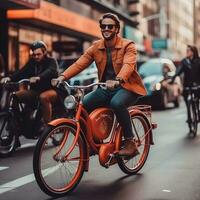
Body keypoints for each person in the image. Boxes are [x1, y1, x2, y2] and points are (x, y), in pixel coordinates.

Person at [52, 13, 146, 157]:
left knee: (117, 103)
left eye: (110, 26)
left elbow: (128, 65)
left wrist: (118, 79)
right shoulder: (96, 47)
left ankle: (130, 142)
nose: (106, 29)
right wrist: (62, 76)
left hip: (127, 87)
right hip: (104, 88)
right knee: (83, 106)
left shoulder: (128, 45)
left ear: (117, 29)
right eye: (103, 26)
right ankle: (93, 142)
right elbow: (80, 63)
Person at [1, 40, 58, 125]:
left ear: (44, 52)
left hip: (51, 89)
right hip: (35, 91)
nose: (36, 57)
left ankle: (48, 126)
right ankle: (18, 122)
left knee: (43, 97)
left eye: (38, 54)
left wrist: (39, 77)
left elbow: (51, 71)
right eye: (34, 55)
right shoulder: (32, 62)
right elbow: (21, 72)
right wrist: (9, 78)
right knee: (15, 96)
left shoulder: (51, 61)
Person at [171, 45, 200, 123]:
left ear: (193, 52)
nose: (187, 52)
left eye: (188, 50)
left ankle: (198, 111)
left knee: (197, 99)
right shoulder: (184, 61)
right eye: (186, 50)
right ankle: (189, 117)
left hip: (197, 85)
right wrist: (172, 79)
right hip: (187, 85)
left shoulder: (198, 61)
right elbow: (178, 71)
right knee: (187, 99)